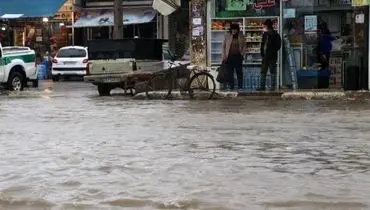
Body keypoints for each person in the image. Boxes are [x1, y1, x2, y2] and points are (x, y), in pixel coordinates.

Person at [259, 19, 281, 91]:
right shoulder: (265, 34)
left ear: (268, 26)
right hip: (265, 56)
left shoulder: (275, 35)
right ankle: (262, 87)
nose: (264, 27)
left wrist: (272, 51)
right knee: (263, 71)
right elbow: (262, 44)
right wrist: (262, 52)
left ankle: (272, 87)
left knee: (272, 71)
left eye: (265, 26)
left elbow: (278, 45)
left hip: (272, 56)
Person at [222, 23, 245, 90]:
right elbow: (223, 46)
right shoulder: (227, 35)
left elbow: (244, 46)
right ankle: (231, 86)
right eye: (233, 29)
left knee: (239, 72)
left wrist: (242, 54)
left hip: (238, 56)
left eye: (235, 29)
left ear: (237, 30)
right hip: (229, 56)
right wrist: (224, 55)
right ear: (231, 29)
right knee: (230, 72)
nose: (234, 31)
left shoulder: (241, 36)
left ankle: (240, 86)